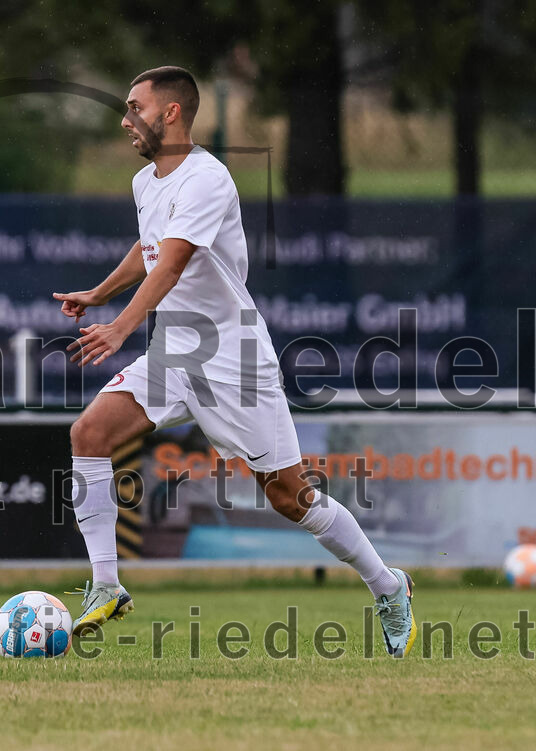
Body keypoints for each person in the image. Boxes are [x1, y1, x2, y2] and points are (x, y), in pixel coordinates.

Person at [53, 67, 417, 658]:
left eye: (134, 107)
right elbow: (149, 251)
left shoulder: (208, 179)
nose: (125, 120)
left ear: (171, 113)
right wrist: (100, 292)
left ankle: (388, 584)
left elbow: (172, 263)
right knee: (89, 432)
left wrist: (120, 325)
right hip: (174, 349)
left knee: (289, 497)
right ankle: (107, 585)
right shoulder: (146, 181)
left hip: (233, 357)